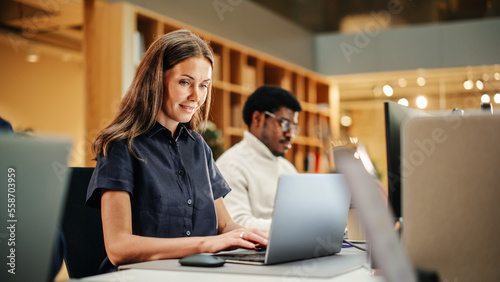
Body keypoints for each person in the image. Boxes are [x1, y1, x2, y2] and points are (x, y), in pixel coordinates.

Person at [86, 29, 268, 274]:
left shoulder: (198, 147)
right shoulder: (122, 146)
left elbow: (225, 225)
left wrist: (261, 237)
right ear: (156, 80)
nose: (196, 96)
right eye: (185, 82)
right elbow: (119, 248)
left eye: (204, 85)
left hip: (196, 273)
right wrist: (205, 244)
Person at [216, 86, 302, 232]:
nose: (290, 134)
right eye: (285, 123)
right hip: (252, 252)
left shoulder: (288, 168)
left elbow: (303, 216)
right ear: (257, 119)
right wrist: (297, 227)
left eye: (293, 126)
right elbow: (235, 224)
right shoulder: (231, 165)